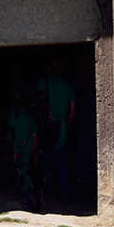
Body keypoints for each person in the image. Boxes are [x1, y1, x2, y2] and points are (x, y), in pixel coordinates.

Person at [37, 62, 77, 203]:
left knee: (44, 158)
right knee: (62, 159)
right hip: (62, 126)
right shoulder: (68, 85)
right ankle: (64, 191)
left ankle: (42, 190)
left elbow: (39, 103)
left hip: (46, 124)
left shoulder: (43, 82)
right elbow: (73, 112)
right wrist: (64, 124)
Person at [5, 91, 39, 211]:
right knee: (26, 172)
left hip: (17, 150)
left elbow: (9, 132)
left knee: (21, 173)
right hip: (27, 150)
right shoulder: (30, 117)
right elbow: (35, 137)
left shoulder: (12, 114)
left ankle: (27, 199)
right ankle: (29, 198)